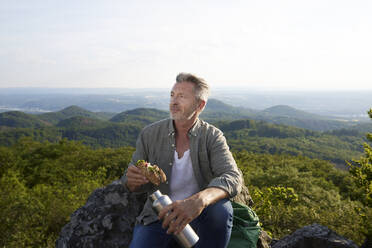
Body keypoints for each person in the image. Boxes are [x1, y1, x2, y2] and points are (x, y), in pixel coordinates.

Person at [121, 73, 243, 248]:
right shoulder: (149, 134)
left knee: (221, 211)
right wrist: (133, 180)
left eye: (182, 96)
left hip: (200, 216)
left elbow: (232, 176)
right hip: (159, 216)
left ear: (200, 105)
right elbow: (129, 182)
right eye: (172, 95)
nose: (174, 101)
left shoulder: (212, 136)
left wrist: (198, 201)